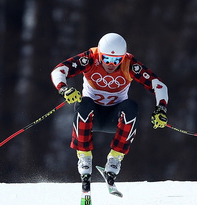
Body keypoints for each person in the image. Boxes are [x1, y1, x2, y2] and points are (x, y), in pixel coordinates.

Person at [50, 32, 169, 184]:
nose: (110, 64)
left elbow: (159, 85)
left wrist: (161, 109)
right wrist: (64, 89)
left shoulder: (130, 64)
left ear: (123, 57)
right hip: (91, 116)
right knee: (84, 103)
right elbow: (59, 71)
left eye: (116, 60)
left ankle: (115, 159)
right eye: (106, 59)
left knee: (131, 106)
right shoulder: (90, 58)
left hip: (116, 118)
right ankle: (84, 157)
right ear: (100, 54)